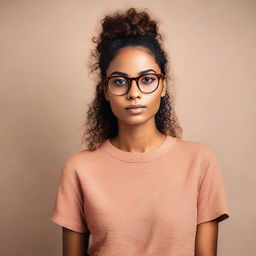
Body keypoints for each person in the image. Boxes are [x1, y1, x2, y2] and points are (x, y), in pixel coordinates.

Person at [50, 7, 230, 256]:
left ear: (163, 85)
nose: (133, 93)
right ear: (105, 90)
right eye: (120, 81)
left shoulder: (200, 162)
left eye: (146, 79)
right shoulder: (79, 169)